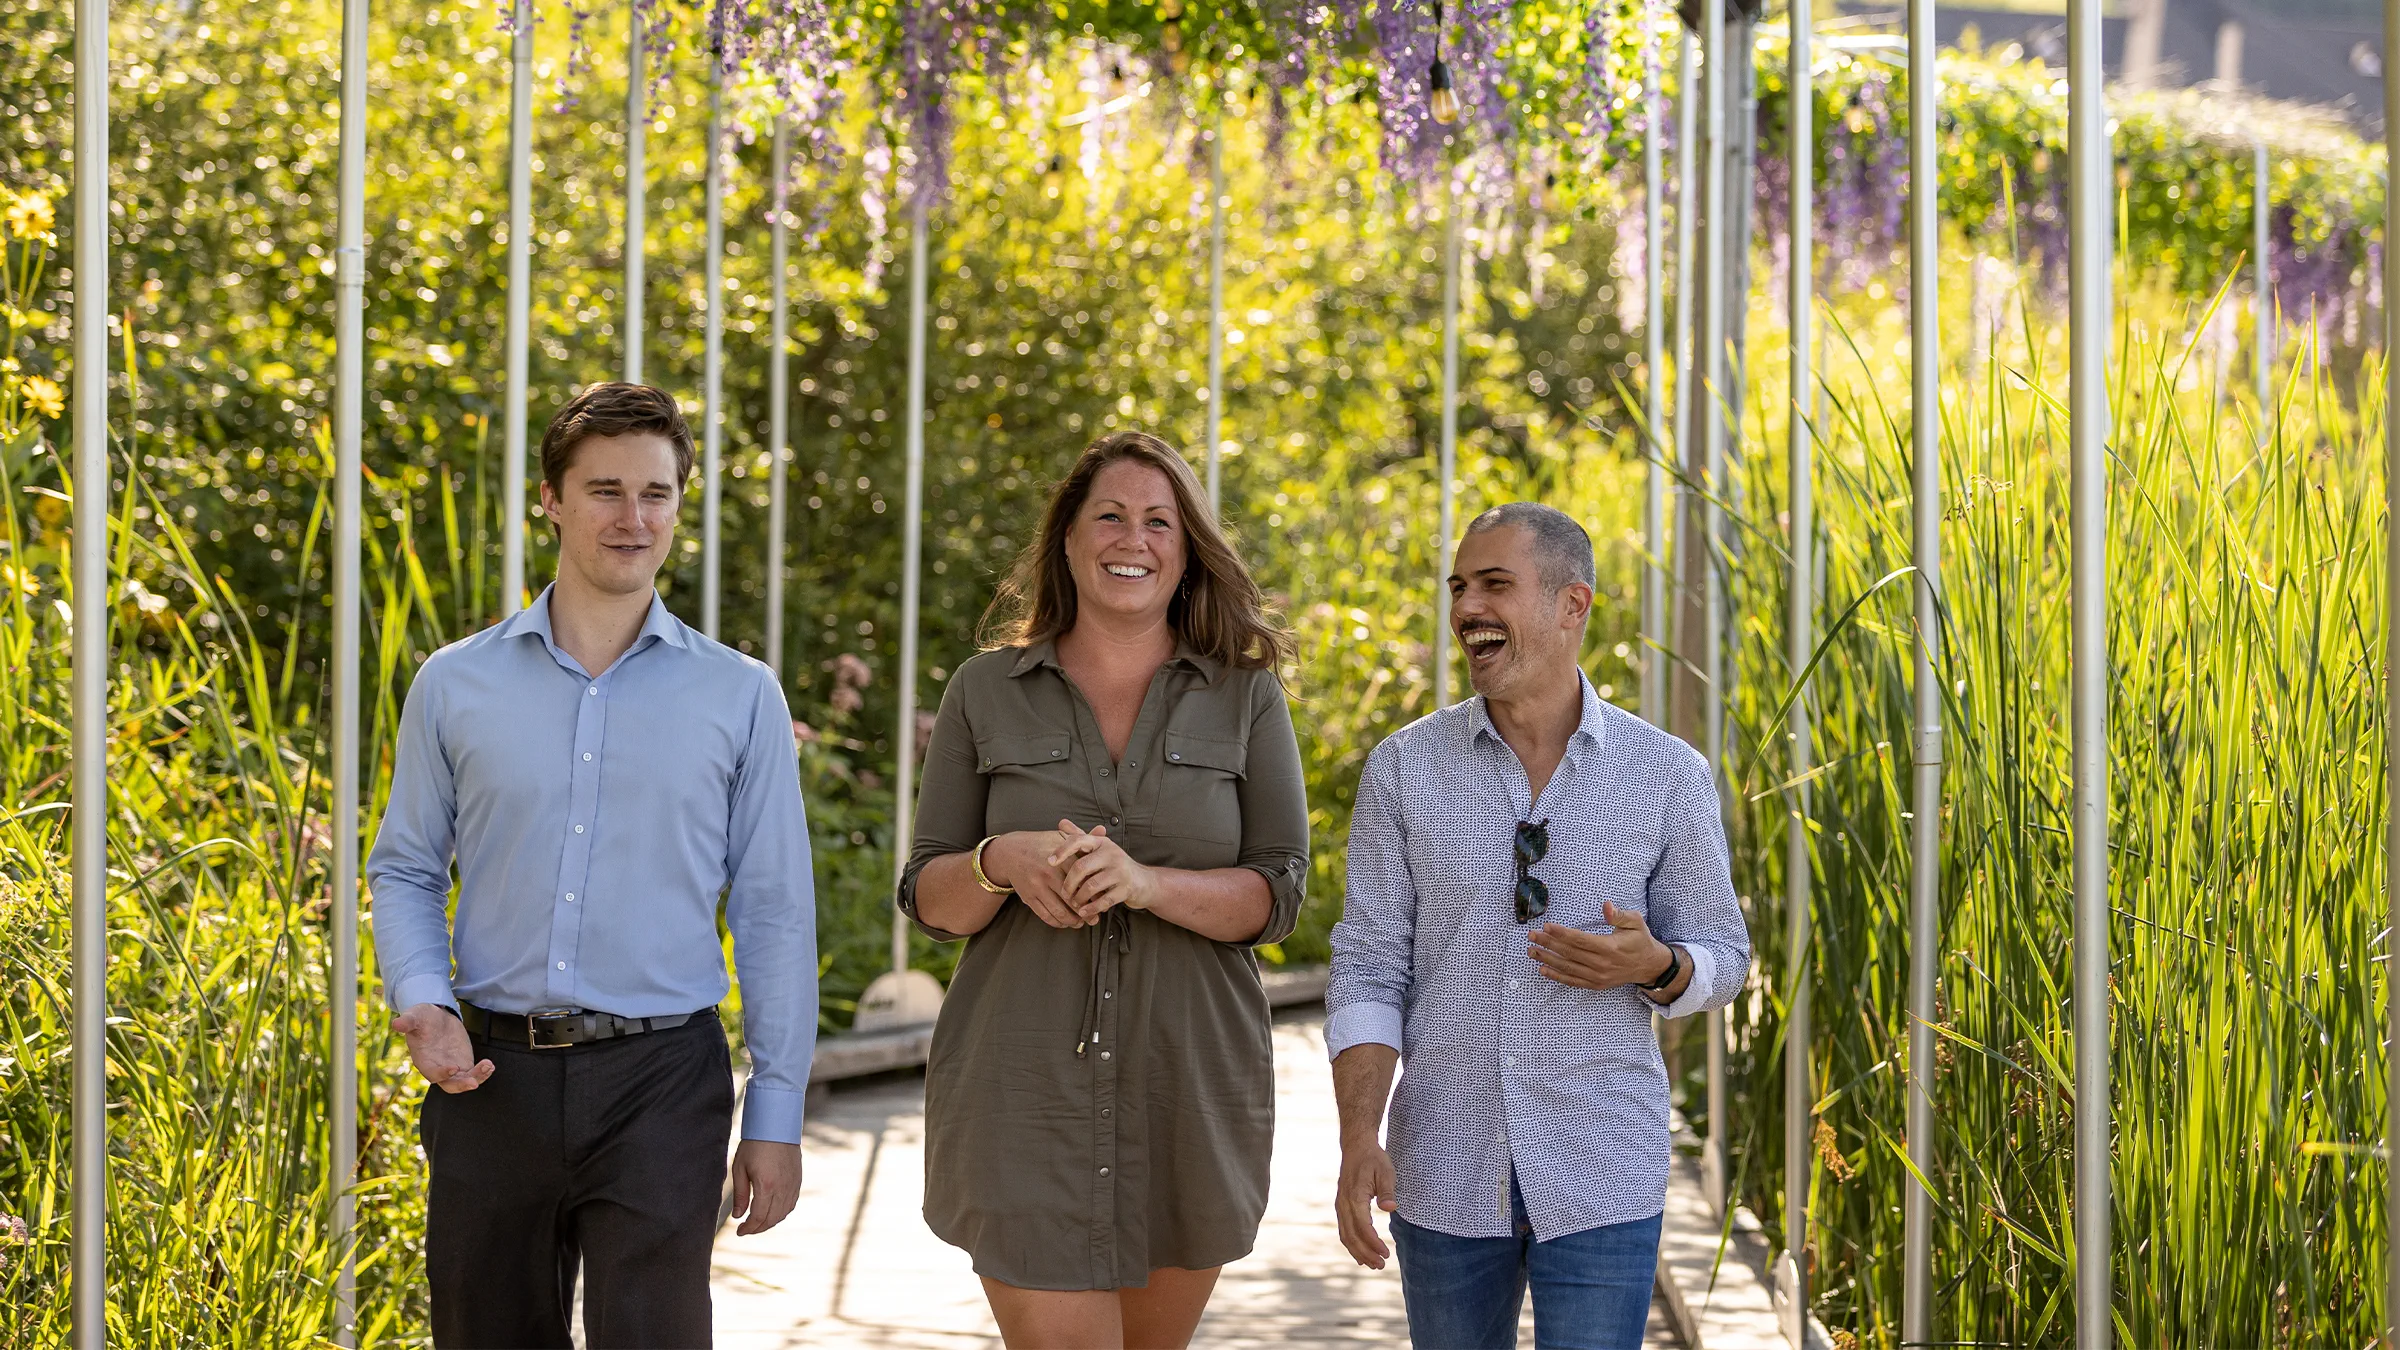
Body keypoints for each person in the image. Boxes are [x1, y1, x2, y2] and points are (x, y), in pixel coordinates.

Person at [367, 382, 816, 1349]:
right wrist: (424, 998)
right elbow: (406, 867)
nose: (633, 517)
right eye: (605, 490)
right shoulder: (455, 683)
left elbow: (774, 909)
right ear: (552, 500)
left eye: (656, 493)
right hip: (489, 1080)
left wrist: (776, 1111)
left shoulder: (739, 697)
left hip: (664, 1079)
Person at [901, 430, 1310, 1349]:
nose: (1135, 538)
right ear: (1071, 541)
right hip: (1019, 1088)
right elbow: (929, 896)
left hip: (1189, 1086)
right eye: (1111, 516)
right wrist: (998, 860)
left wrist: (1146, 883)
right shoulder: (984, 691)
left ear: (1187, 546)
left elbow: (1279, 896)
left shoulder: (1246, 697)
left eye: (1159, 520)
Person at [1326, 503, 1752, 1350]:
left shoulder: (1666, 774)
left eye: (1494, 584)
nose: (1466, 609)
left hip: (1603, 1165)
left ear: (1573, 604)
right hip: (1442, 1163)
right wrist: (1356, 1139)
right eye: (1459, 588)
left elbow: (1724, 954)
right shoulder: (1403, 767)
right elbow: (1368, 969)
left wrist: (1654, 964)